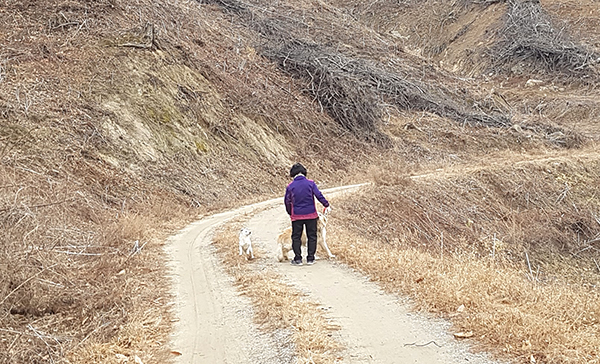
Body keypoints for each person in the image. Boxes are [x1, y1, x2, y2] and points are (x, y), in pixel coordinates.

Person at [284, 163, 330, 266]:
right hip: (311, 215)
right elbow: (319, 195)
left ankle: (298, 259)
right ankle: (310, 258)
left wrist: (290, 212)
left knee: (296, 236)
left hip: (296, 216)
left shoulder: (290, 186)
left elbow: (287, 201)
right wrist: (326, 204)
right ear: (304, 172)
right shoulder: (311, 183)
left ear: (293, 174)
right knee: (312, 236)